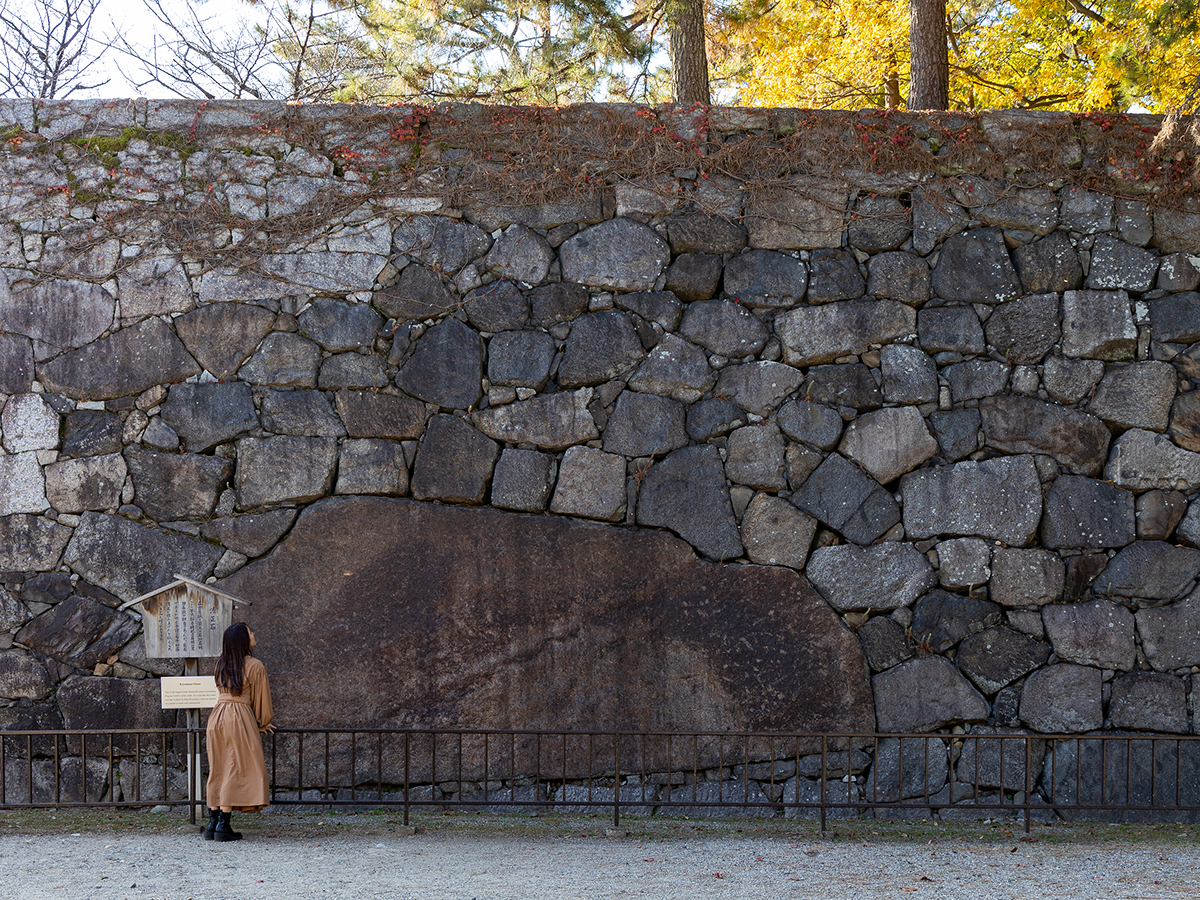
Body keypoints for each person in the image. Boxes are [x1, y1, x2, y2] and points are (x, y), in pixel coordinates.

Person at [204, 622, 274, 842]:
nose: (254, 634)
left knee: (219, 767)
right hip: (239, 716)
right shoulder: (255, 665)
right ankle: (224, 825)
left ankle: (212, 823)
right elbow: (262, 701)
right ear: (243, 640)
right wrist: (262, 722)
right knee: (235, 766)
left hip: (217, 716)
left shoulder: (220, 664)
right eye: (250, 632)